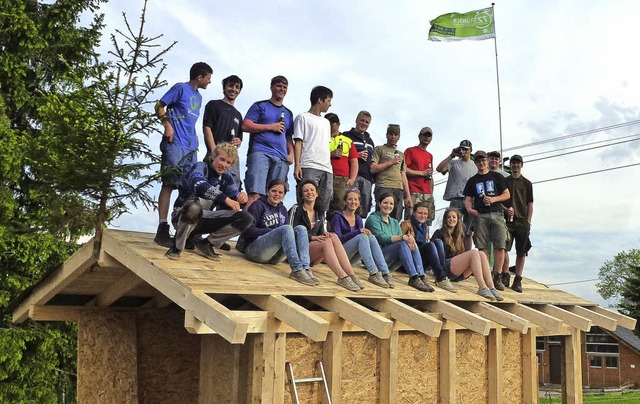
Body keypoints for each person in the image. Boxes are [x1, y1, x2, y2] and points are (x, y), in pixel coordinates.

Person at [154, 62, 213, 247]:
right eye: (209, 78)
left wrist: (195, 137)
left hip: (190, 147)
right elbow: (159, 105)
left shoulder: (199, 97)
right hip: (174, 143)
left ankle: (182, 230)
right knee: (170, 183)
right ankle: (162, 227)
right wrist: (167, 125)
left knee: (188, 189)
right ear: (200, 77)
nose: (210, 82)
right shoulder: (180, 88)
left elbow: (190, 120)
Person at [165, 143, 253, 260]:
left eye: (228, 162)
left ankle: (207, 244)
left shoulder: (226, 176)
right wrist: (225, 199)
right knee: (194, 208)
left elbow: (234, 197)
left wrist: (242, 198)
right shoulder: (200, 167)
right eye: (222, 159)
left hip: (205, 218)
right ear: (213, 157)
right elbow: (199, 185)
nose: (224, 165)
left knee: (246, 218)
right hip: (182, 215)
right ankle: (177, 247)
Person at [236, 179, 316, 286]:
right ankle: (296, 270)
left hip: (274, 257)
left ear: (284, 195)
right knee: (286, 228)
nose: (277, 194)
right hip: (254, 250)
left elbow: (288, 233)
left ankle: (305, 268)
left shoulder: (283, 209)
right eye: (274, 191)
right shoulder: (257, 205)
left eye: (280, 192)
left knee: (301, 228)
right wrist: (271, 232)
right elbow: (247, 230)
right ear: (267, 191)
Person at [290, 180, 362, 291]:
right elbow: (291, 233)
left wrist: (325, 233)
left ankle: (351, 274)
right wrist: (312, 238)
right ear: (302, 195)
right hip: (300, 252)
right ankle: (342, 277)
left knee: (333, 236)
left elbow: (320, 234)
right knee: (327, 242)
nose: (309, 192)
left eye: (312, 190)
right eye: (306, 191)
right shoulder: (297, 209)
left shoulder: (319, 212)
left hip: (313, 254)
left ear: (317, 193)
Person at [242, 76, 294, 210]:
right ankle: (248, 228)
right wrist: (270, 127)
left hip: (281, 158)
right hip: (261, 152)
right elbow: (246, 125)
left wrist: (291, 153)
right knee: (255, 193)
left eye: (284, 87)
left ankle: (268, 230)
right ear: (272, 87)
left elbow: (288, 136)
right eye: (278, 86)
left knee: (275, 197)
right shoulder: (260, 106)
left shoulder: (288, 113)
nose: (281, 89)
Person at [365, 193, 433, 292]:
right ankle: (414, 277)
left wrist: (409, 239)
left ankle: (421, 276)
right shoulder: (373, 219)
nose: (388, 206)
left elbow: (401, 240)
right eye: (385, 203)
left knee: (411, 243)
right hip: (376, 259)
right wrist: (402, 237)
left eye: (391, 204)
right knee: (402, 243)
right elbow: (381, 238)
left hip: (390, 260)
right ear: (379, 204)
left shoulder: (394, 222)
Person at [431, 208, 504, 300]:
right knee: (473, 253)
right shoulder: (439, 233)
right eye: (449, 217)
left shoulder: (460, 234)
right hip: (445, 269)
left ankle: (491, 287)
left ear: (458, 220)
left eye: (454, 217)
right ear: (445, 219)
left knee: (481, 253)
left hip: (459, 273)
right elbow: (433, 255)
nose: (451, 219)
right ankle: (482, 287)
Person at [463, 150, 511, 291]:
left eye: (483, 160)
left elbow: (506, 194)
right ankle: (485, 275)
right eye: (478, 161)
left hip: (496, 213)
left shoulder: (496, 176)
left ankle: (497, 275)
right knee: (482, 247)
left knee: (499, 245)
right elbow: (468, 199)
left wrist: (494, 199)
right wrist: (470, 210)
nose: (481, 163)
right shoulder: (472, 180)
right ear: (476, 163)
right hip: (481, 215)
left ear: (487, 161)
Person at [331, 188, 393, 288]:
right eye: (350, 199)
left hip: (351, 258)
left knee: (371, 237)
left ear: (359, 202)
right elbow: (337, 239)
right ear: (345, 201)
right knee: (362, 236)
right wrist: (357, 232)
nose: (353, 202)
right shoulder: (337, 216)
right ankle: (373, 273)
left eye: (356, 200)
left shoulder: (358, 219)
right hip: (339, 254)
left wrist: (363, 233)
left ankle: (385, 273)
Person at [293, 86, 334, 214]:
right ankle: (303, 229)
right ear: (320, 100)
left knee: (324, 203)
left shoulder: (326, 122)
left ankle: (321, 228)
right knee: (306, 201)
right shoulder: (302, 117)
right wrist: (297, 165)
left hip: (326, 168)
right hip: (309, 165)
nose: (330, 104)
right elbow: (298, 142)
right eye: (328, 100)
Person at [400, 202, 456, 292]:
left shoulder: (426, 227)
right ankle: (440, 277)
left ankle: (443, 276)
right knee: (430, 245)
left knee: (438, 242)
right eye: (420, 213)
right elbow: (399, 243)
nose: (423, 216)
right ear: (414, 213)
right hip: (409, 261)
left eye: (425, 213)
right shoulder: (406, 224)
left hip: (421, 263)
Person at [202, 75, 244, 191]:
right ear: (224, 87)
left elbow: (239, 138)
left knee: (232, 187)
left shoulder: (238, 115)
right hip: (214, 153)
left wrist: (238, 141)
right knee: (208, 187)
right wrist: (214, 151)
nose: (233, 89)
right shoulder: (214, 105)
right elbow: (207, 128)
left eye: (237, 87)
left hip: (231, 159)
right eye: (231, 85)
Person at [436, 139, 476, 250]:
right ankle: (451, 252)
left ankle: (467, 255)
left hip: (470, 200)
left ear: (471, 150)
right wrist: (452, 155)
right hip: (455, 198)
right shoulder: (453, 163)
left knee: (468, 231)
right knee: (452, 227)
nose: (463, 152)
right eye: (462, 149)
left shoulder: (475, 165)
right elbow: (439, 169)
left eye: (466, 149)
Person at [502, 154, 533, 293]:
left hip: (522, 222)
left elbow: (530, 204)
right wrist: (505, 210)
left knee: (521, 252)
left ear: (522, 165)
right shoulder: (504, 181)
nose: (515, 165)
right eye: (513, 163)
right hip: (507, 221)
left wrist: (528, 221)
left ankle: (518, 279)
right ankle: (505, 274)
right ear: (510, 165)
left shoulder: (527, 183)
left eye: (517, 163)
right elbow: (500, 200)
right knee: (503, 248)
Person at [371, 124, 412, 221]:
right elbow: (373, 168)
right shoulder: (379, 149)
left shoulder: (401, 154)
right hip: (383, 185)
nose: (393, 137)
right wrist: (390, 162)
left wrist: (408, 196)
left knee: (396, 218)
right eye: (391, 134)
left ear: (399, 136)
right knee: (382, 216)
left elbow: (403, 175)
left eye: (395, 134)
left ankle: (394, 236)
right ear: (386, 135)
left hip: (398, 188)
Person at [343, 111, 375, 218]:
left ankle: (359, 229)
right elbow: (341, 156)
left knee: (363, 208)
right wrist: (356, 155)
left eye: (367, 122)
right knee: (349, 205)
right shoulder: (346, 136)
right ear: (356, 120)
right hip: (352, 176)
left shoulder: (370, 141)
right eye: (362, 120)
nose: (364, 124)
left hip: (367, 179)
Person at [403, 127, 436, 228]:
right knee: (410, 221)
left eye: (429, 135)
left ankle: (425, 242)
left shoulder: (429, 155)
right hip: (413, 191)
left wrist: (431, 192)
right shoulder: (410, 151)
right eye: (424, 135)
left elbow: (430, 176)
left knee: (426, 223)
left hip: (427, 193)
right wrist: (421, 173)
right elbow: (403, 170)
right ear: (419, 136)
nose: (426, 137)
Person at [325, 113, 358, 212]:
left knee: (340, 205)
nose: (329, 127)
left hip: (342, 178)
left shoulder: (347, 140)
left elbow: (354, 161)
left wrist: (352, 179)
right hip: (326, 174)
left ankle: (335, 226)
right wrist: (331, 154)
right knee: (323, 203)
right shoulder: (322, 138)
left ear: (338, 124)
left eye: (332, 124)